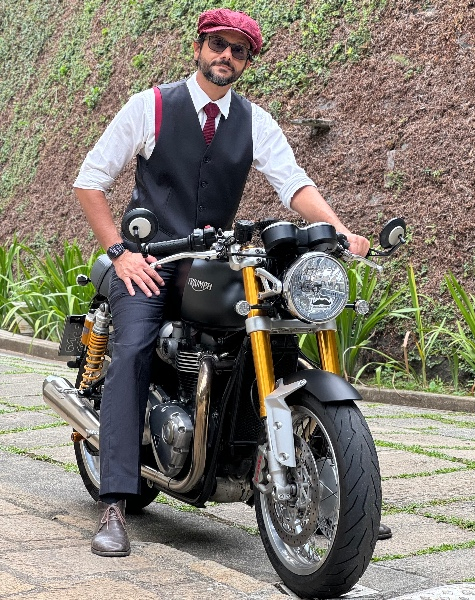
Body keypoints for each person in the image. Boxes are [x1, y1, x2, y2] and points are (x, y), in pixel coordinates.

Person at [74, 8, 390, 557]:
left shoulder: (254, 121)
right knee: (134, 350)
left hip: (212, 263)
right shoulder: (150, 106)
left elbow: (293, 184)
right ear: (199, 47)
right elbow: (90, 182)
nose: (226, 56)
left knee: (271, 334)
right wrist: (120, 253)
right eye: (218, 45)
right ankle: (115, 501)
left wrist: (339, 230)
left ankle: (335, 490)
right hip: (151, 261)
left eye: (238, 50)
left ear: (246, 62)